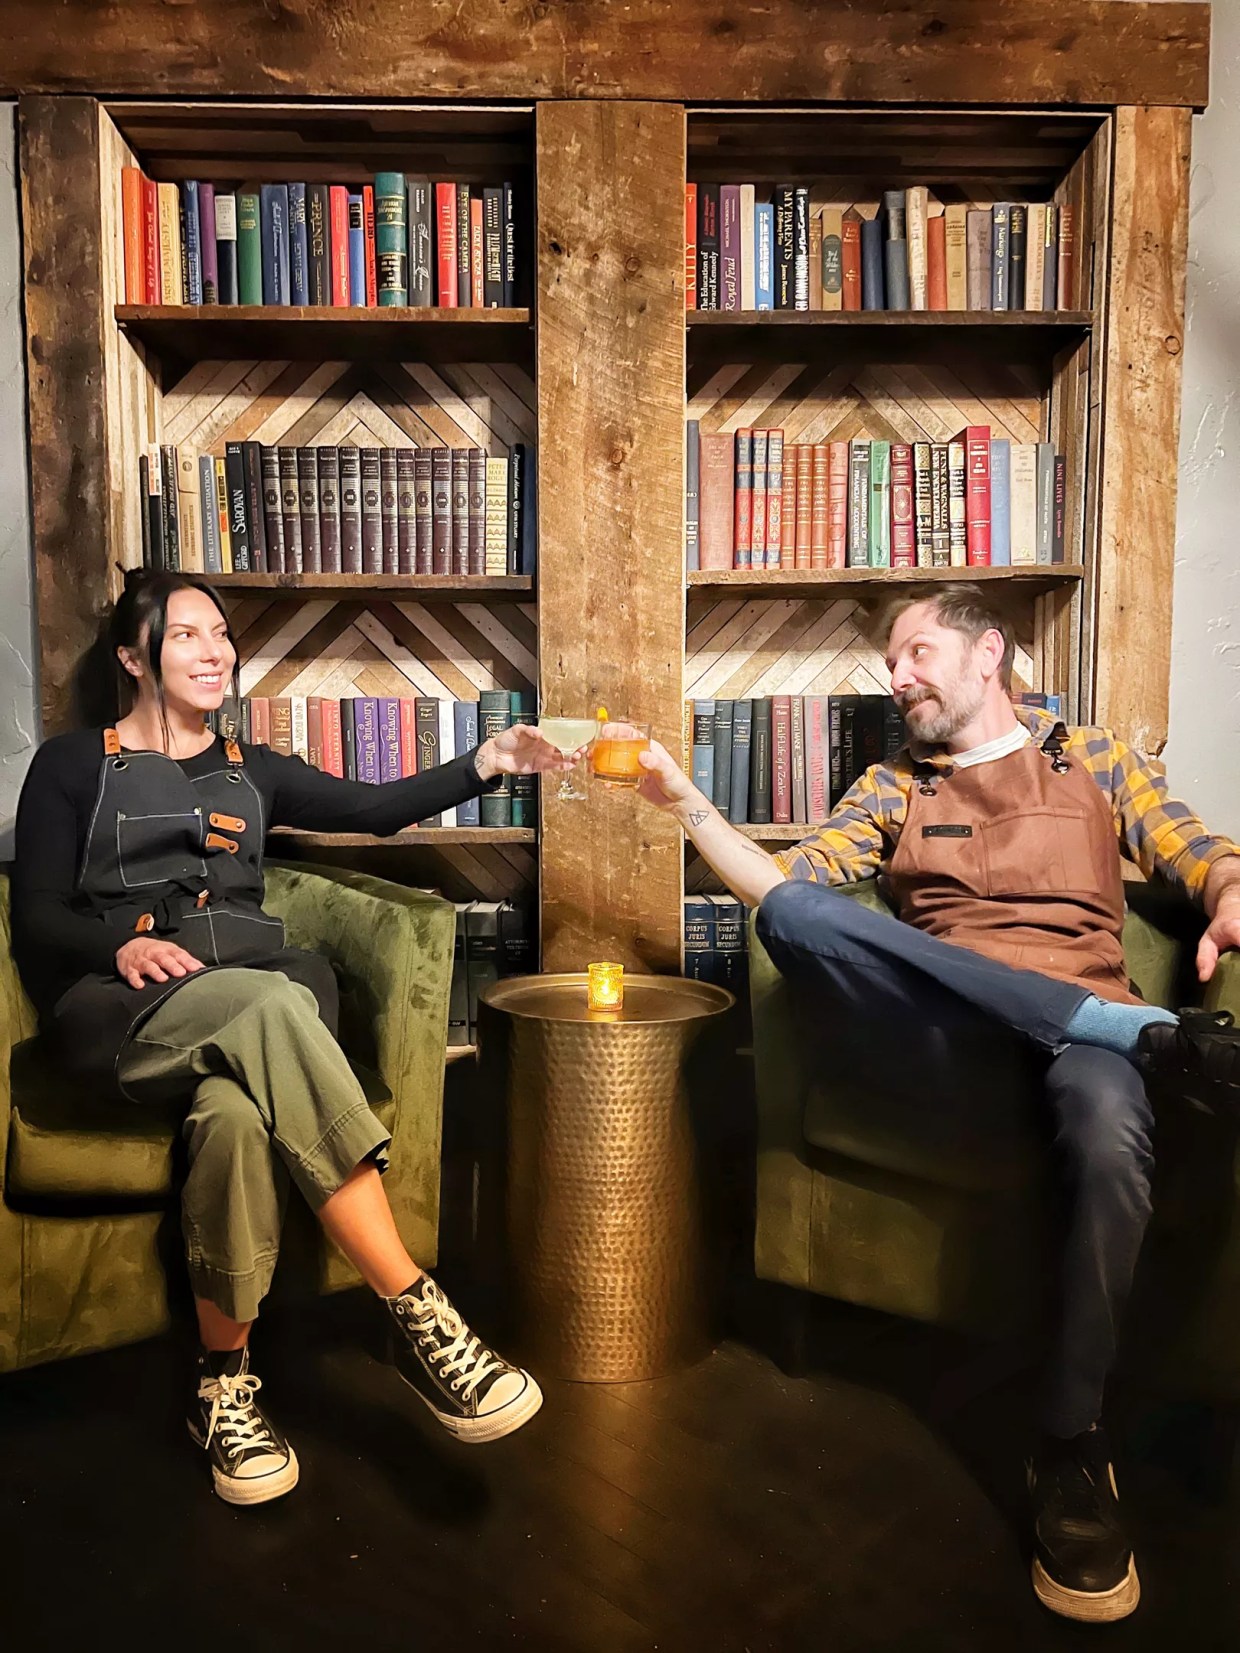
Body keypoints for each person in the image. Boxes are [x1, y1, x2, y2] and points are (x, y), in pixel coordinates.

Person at [633, 581, 1240, 1625]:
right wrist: (687, 803)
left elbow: (1201, 852)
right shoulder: (890, 787)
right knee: (798, 916)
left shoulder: (1090, 757)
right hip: (945, 1045)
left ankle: (1069, 1446)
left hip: (1082, 1043)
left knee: (1107, 1125)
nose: (896, 676)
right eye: (892, 661)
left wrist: (1228, 899)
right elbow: (793, 895)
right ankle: (1146, 1043)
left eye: (915, 653)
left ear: (987, 653)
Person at [11, 569, 576, 1506]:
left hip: (240, 1017)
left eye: (220, 635)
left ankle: (223, 1387)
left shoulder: (254, 767)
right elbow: (35, 916)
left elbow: (374, 806)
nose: (213, 651)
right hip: (120, 1019)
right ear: (132, 656)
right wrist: (124, 946)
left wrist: (490, 760)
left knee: (232, 1116)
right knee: (274, 1006)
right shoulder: (71, 766)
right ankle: (417, 1308)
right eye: (187, 634)